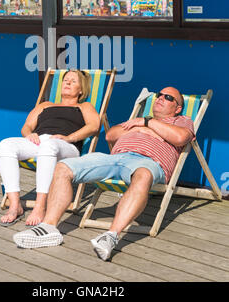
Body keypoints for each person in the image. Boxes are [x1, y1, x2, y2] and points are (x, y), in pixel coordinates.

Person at [12, 87, 195, 260]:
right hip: (115, 158)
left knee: (144, 176)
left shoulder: (182, 121)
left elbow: (180, 138)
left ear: (177, 108)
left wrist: (147, 123)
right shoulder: (138, 120)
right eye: (159, 95)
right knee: (63, 167)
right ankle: (48, 227)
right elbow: (111, 135)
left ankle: (110, 236)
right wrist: (140, 127)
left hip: (147, 162)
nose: (161, 98)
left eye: (168, 97)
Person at [0, 70, 100, 227]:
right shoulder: (45, 105)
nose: (67, 83)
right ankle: (14, 205)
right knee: (5, 145)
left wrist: (70, 137)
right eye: (65, 80)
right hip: (40, 141)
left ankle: (40, 206)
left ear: (81, 90)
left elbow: (94, 126)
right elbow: (27, 126)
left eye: (73, 81)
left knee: (49, 145)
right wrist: (29, 134)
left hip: (66, 145)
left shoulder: (84, 106)